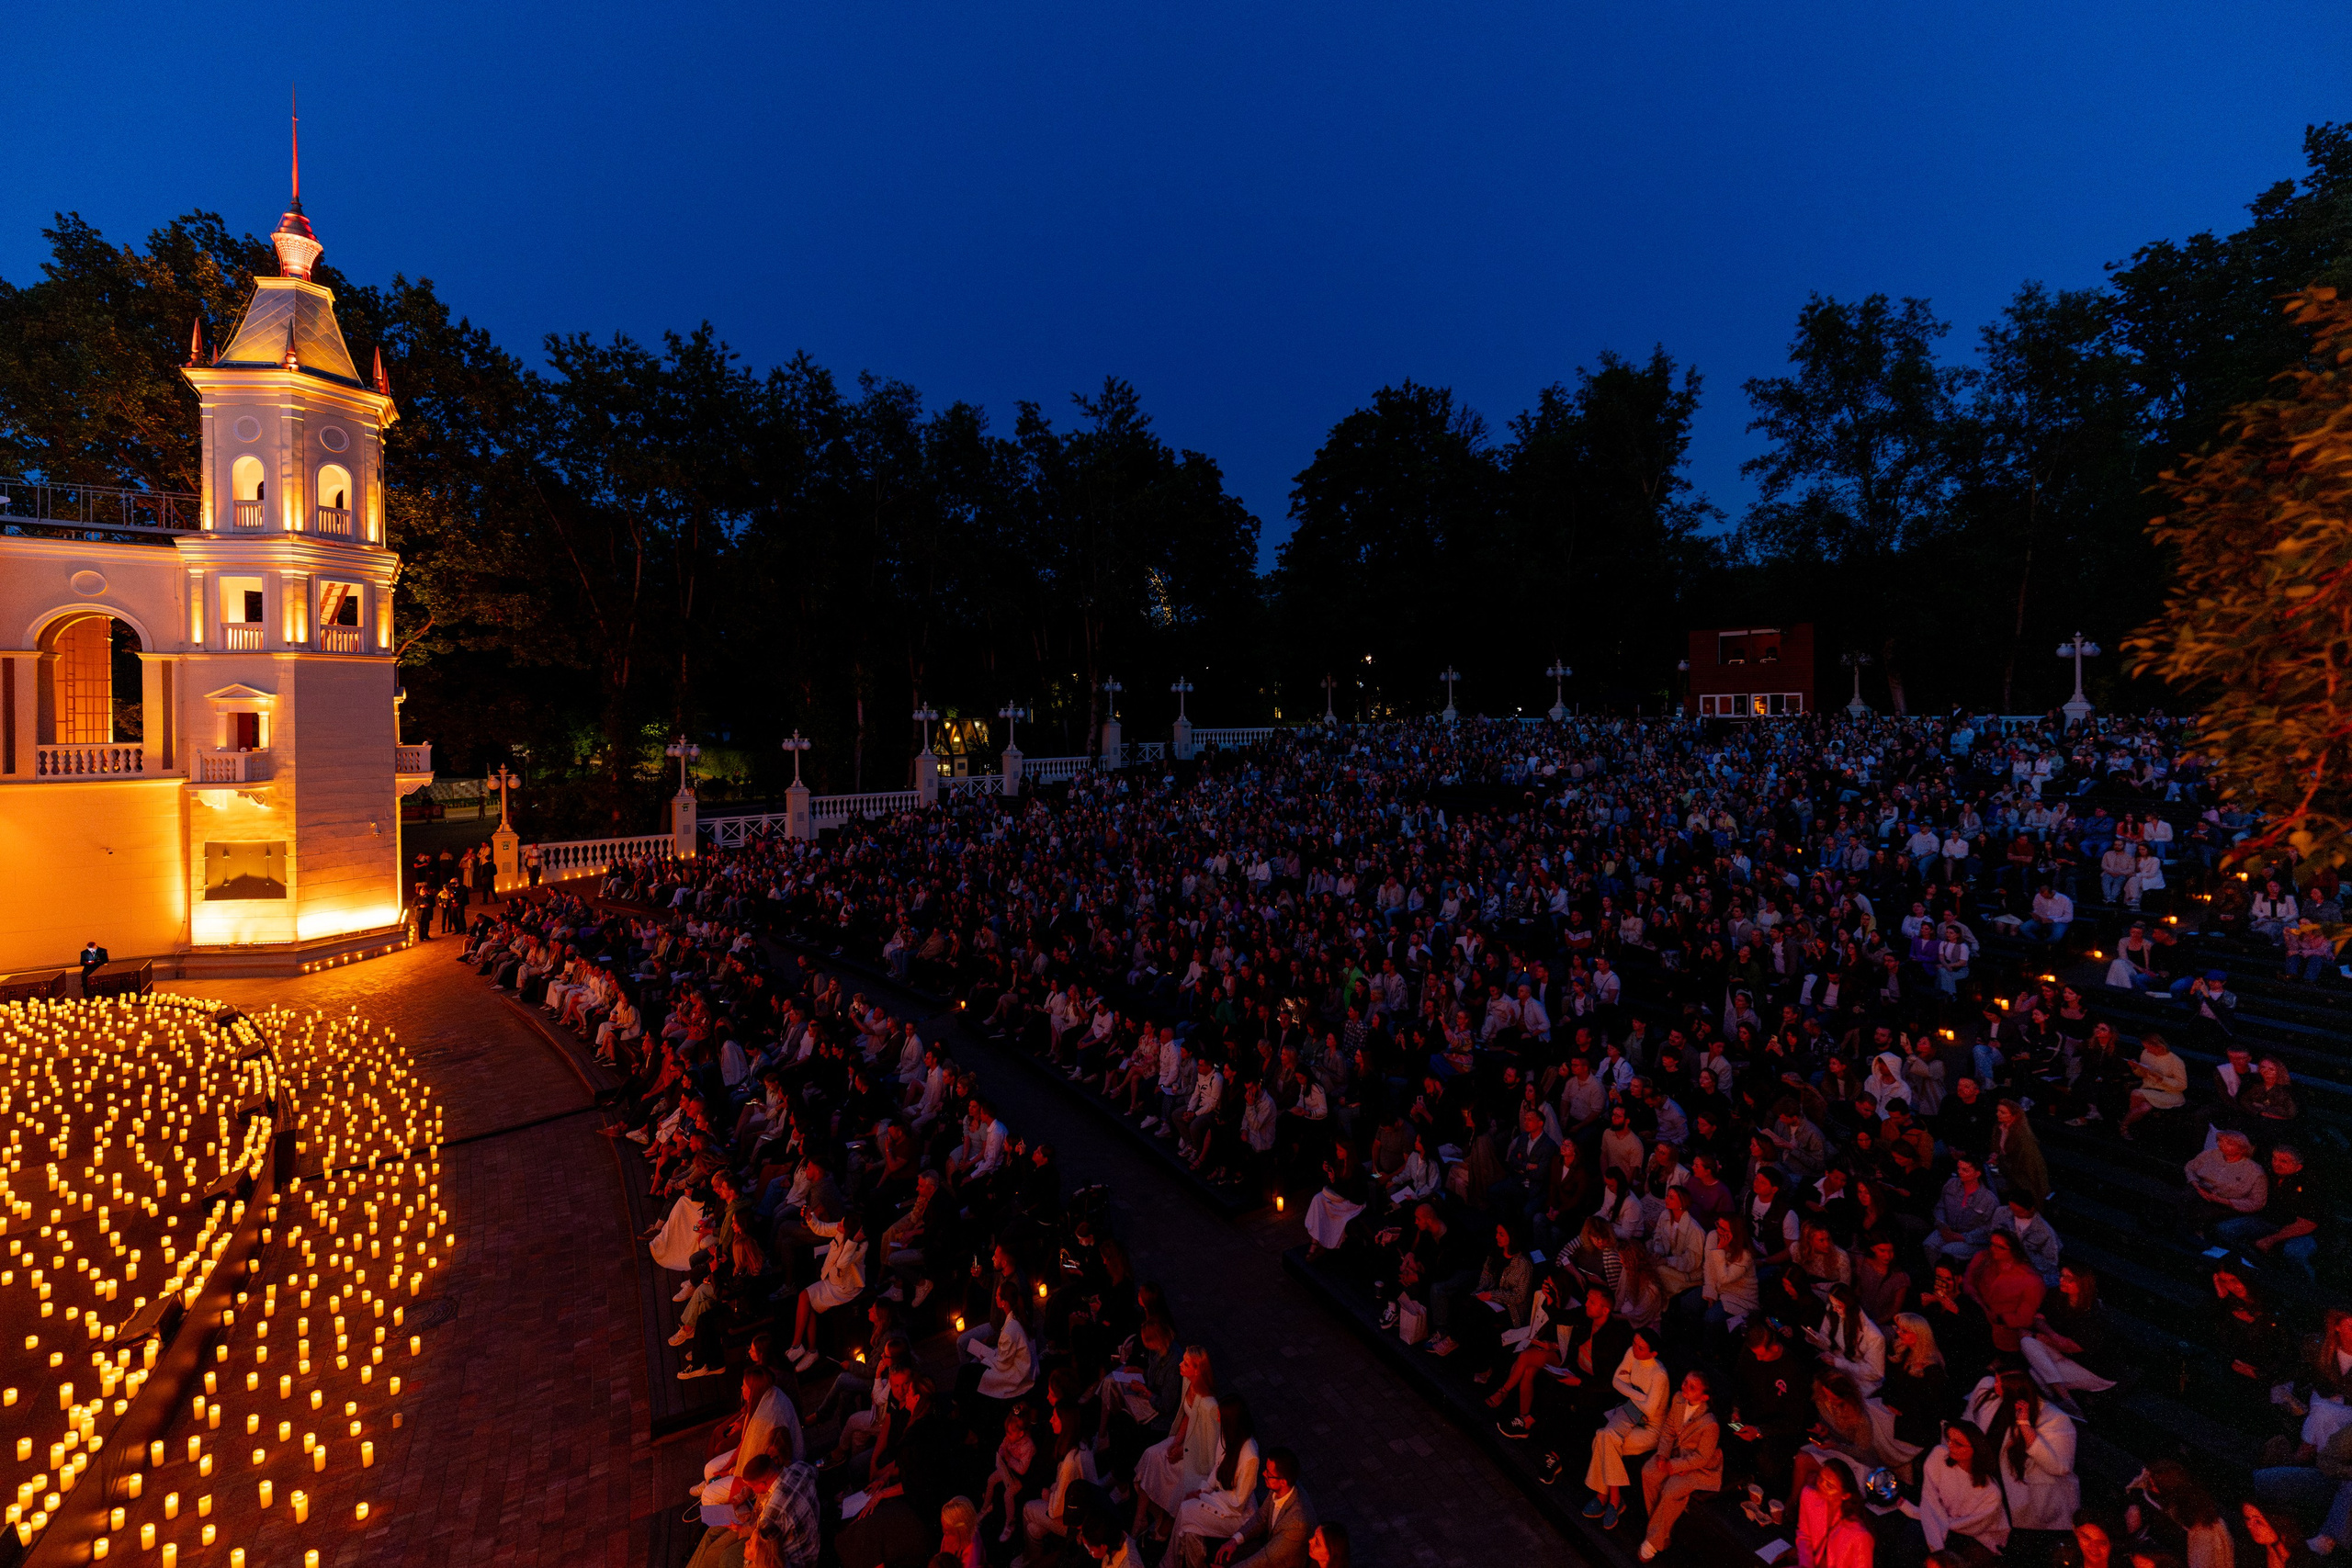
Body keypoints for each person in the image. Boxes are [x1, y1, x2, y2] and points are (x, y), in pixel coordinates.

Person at [1582, 1325, 1670, 1529]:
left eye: (1641, 1348)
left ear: (1653, 1353)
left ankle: (1604, 1496)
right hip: (1630, 1411)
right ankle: (1614, 1499)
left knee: (1603, 1438)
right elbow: (1616, 1381)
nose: (1635, 1349)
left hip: (1651, 1427)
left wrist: (1629, 1388)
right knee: (1607, 1438)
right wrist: (1640, 1395)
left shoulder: (1659, 1375)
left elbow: (1650, 1411)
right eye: (1634, 1344)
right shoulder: (1632, 1353)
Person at [1637, 1369, 1722, 1561]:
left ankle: (1653, 1541)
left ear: (1704, 1397)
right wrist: (1662, 1455)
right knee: (1649, 1472)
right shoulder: (1678, 1399)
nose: (1685, 1388)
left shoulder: (1710, 1424)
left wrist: (1675, 1466)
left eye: (1692, 1387)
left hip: (1698, 1467)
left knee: (1671, 1490)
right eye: (1685, 1382)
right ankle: (1661, 1531)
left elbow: (1702, 1458)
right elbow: (1669, 1429)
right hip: (1676, 1454)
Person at [1166, 1399, 1261, 1568]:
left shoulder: (1250, 1456)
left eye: (1220, 1417)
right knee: (1190, 1529)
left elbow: (1238, 1503)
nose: (1217, 1419)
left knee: (1186, 1511)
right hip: (1221, 1501)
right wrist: (1203, 1490)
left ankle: (1170, 1562)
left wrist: (1203, 1497)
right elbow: (1217, 1467)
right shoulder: (1226, 1435)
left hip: (1238, 1516)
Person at [1917, 1419, 2009, 1564]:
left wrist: (1939, 1544)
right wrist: (1936, 1545)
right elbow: (1930, 1499)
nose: (1950, 1445)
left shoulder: (1991, 1493)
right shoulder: (1939, 1456)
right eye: (1949, 1439)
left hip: (1977, 1537)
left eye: (1958, 1444)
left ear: (1976, 1449)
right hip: (1939, 1523)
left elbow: (1972, 1526)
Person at [1204, 1448, 1314, 1568]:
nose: (1264, 1474)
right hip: (1270, 1548)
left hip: (1282, 1563)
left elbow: (1268, 1558)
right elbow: (1261, 1517)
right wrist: (1234, 1540)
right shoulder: (1279, 1488)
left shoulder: (1297, 1524)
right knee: (1222, 1556)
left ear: (1283, 1482)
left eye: (1268, 1473)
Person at [1796, 1456, 1875, 1568]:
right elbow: (1804, 1535)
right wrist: (1806, 1565)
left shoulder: (1859, 1535)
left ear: (1845, 1495)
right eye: (1820, 1478)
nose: (1821, 1485)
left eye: (1829, 1485)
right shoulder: (1809, 1495)